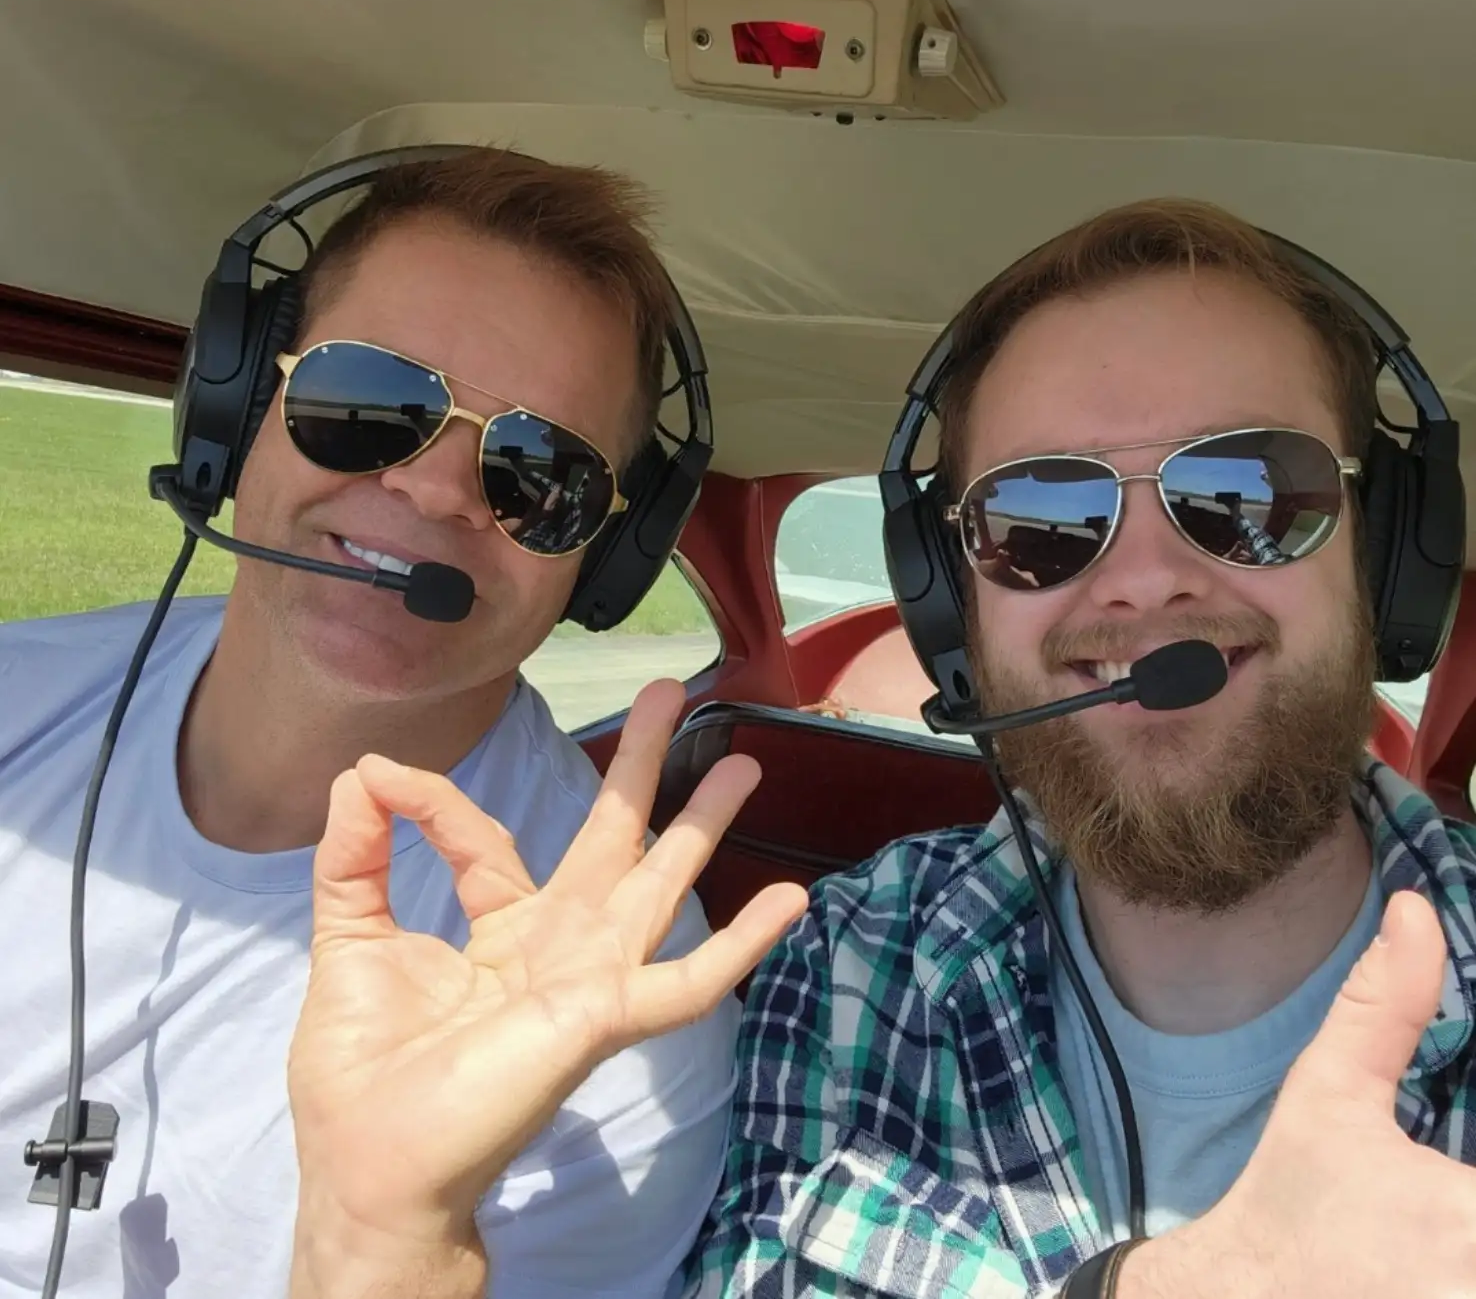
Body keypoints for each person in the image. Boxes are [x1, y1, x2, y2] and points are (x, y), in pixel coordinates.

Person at [680, 199, 1476, 1297]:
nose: (1145, 579)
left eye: (1248, 492)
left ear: (1382, 555)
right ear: (949, 606)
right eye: (1037, 518)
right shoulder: (847, 964)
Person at [0, 148, 743, 1297]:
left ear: (605, 557)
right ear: (237, 405)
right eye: (370, 403)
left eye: (536, 470)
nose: (436, 490)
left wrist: (394, 1243)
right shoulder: (17, 697)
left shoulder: (617, 1009)